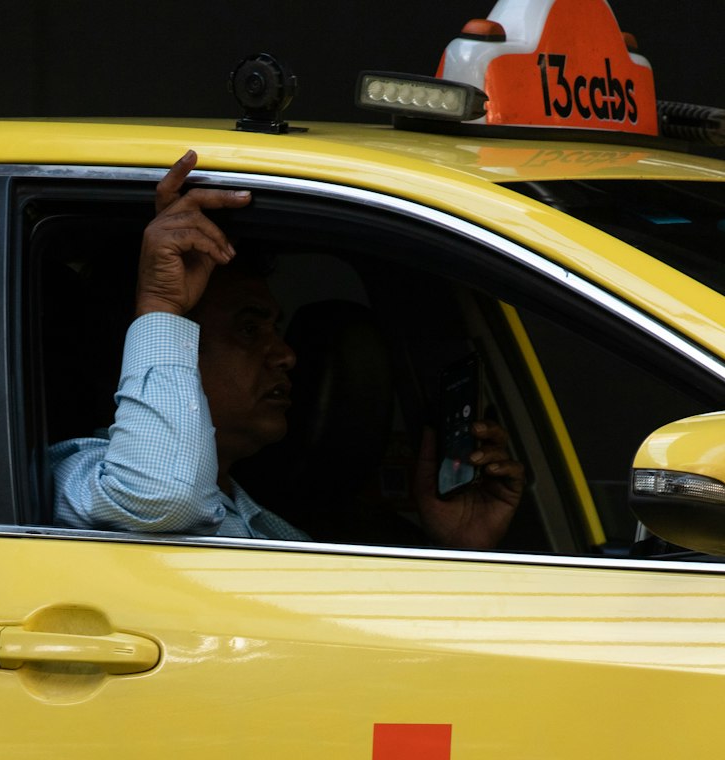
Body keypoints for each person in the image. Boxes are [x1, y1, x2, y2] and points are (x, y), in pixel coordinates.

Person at [51, 151, 525, 548]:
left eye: (273, 328)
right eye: (248, 329)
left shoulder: (265, 525)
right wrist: (161, 304)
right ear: (162, 344)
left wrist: (460, 549)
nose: (287, 355)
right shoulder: (74, 476)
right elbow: (162, 495)